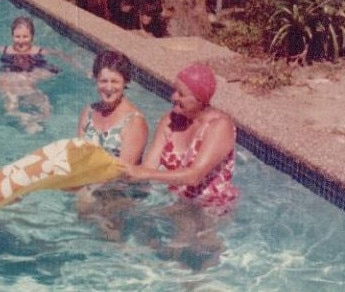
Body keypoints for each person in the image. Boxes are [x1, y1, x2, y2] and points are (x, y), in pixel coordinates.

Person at [122, 62, 238, 214]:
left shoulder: (220, 126)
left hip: (210, 209)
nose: (173, 96)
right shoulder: (170, 120)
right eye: (175, 90)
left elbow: (194, 176)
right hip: (175, 200)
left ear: (200, 99)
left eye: (181, 94)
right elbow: (149, 167)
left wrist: (146, 174)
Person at [75, 50, 149, 240]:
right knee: (82, 221)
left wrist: (89, 188)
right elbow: (79, 154)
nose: (108, 87)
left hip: (122, 190)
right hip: (94, 183)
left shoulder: (134, 122)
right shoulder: (88, 112)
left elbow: (123, 171)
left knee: (111, 237)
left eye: (115, 81)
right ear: (95, 80)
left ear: (125, 82)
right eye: (103, 81)